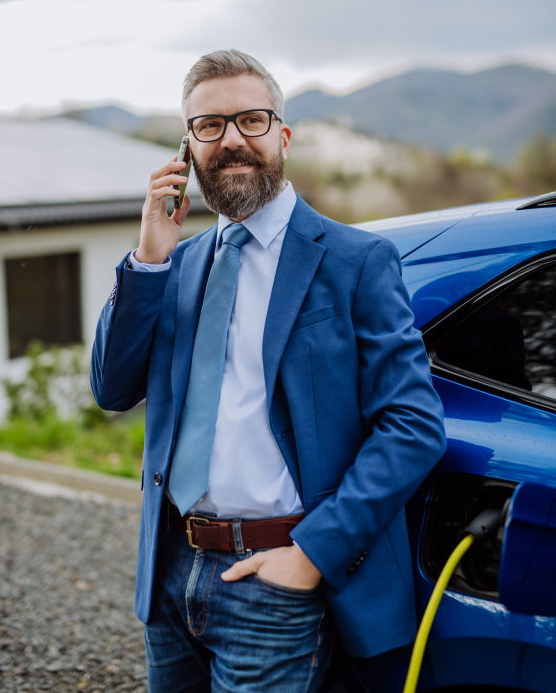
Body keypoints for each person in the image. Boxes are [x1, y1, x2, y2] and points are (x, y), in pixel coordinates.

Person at [91, 49, 446, 693]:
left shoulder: (356, 261)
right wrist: (148, 257)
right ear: (187, 148)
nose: (230, 140)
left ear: (282, 135)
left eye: (250, 120)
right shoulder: (175, 265)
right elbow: (112, 388)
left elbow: (412, 427)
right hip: (171, 570)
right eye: (208, 126)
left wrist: (314, 554)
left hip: (278, 579)